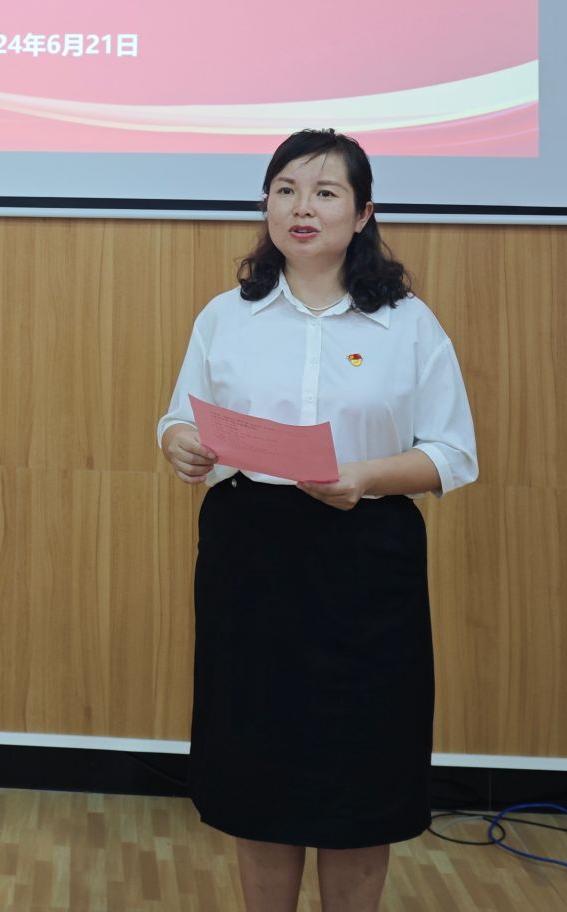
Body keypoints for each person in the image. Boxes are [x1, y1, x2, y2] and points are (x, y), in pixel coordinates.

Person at [158, 128, 478, 912]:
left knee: (361, 771)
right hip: (250, 556)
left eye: (325, 192)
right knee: (257, 768)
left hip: (365, 558)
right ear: (266, 205)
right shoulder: (226, 316)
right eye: (286, 190)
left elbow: (451, 454)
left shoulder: (407, 324)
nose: (302, 207)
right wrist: (180, 444)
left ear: (363, 214)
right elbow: (178, 417)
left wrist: (364, 476)